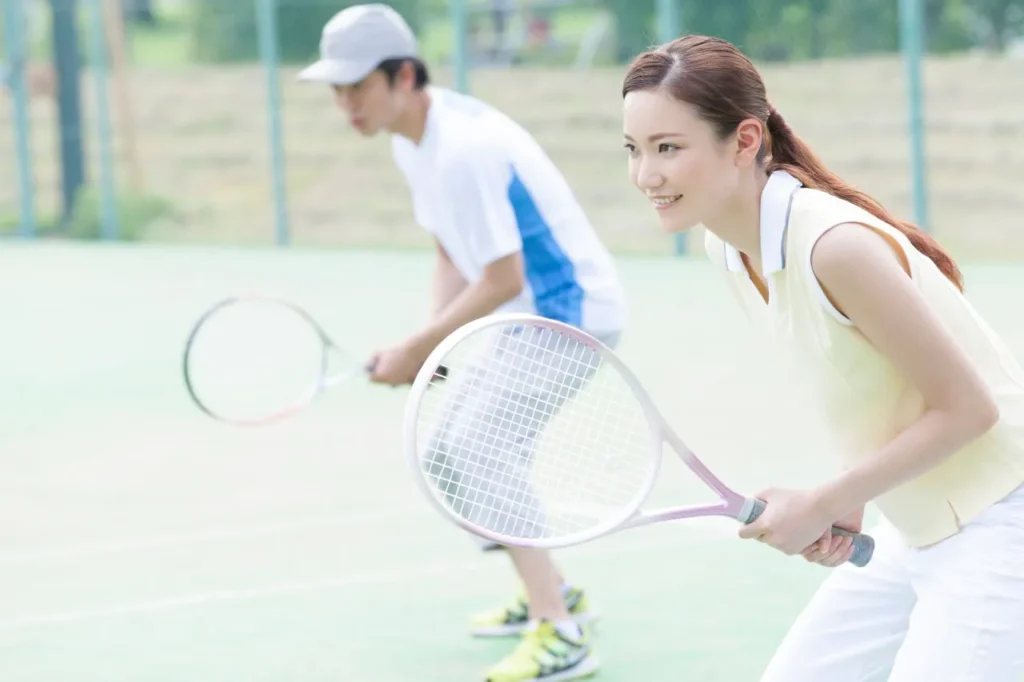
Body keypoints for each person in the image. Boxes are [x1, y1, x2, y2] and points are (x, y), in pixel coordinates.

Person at [620, 34, 1024, 682]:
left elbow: (969, 409)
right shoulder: (725, 246)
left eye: (668, 148)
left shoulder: (833, 246)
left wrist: (824, 498)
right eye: (634, 150)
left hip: (999, 519)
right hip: (914, 519)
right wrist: (853, 494)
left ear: (746, 140)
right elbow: (867, 383)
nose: (647, 175)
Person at [298, 5, 627, 681]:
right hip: (521, 317)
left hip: (569, 315)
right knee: (447, 455)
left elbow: (502, 275)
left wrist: (418, 349)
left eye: (356, 86)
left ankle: (561, 633)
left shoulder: (463, 150)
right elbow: (451, 251)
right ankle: (554, 591)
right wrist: (431, 347)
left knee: (480, 450)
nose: (345, 103)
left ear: (404, 75)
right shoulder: (412, 138)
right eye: (336, 89)